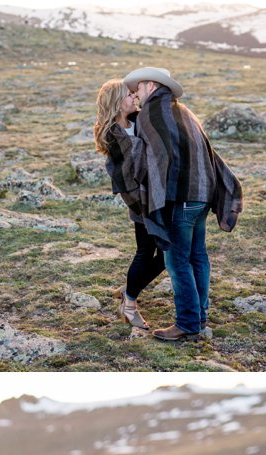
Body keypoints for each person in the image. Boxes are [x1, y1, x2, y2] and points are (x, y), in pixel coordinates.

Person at [121, 66, 243, 343]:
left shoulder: (152, 114)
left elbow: (153, 160)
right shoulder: (184, 111)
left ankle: (187, 324)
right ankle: (198, 318)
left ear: (150, 85)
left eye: (137, 89)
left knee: (176, 261)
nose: (135, 96)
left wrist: (150, 196)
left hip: (182, 197)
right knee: (197, 256)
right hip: (203, 195)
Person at [94, 79, 165, 331]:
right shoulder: (113, 133)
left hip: (156, 196)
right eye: (128, 95)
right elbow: (124, 176)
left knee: (164, 253)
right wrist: (144, 207)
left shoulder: (138, 119)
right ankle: (130, 304)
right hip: (139, 202)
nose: (134, 96)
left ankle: (129, 289)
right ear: (116, 102)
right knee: (150, 252)